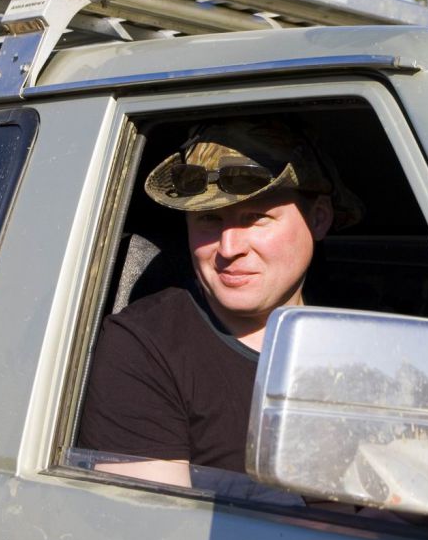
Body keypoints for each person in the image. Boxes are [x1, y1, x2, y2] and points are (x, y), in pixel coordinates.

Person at [78, 118, 360, 487]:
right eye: (209, 219)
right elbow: (146, 517)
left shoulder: (363, 339)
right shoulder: (145, 345)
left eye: (255, 218)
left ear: (319, 218)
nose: (228, 248)